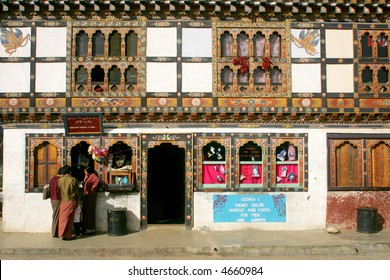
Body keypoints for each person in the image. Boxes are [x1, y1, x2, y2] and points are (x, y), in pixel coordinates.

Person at [58, 165, 80, 241]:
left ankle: (63, 234)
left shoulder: (60, 180)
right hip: (71, 200)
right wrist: (77, 201)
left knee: (63, 217)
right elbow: (77, 192)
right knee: (70, 218)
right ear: (69, 172)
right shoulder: (73, 180)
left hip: (63, 200)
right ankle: (67, 235)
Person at [82, 166, 100, 235]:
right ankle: (90, 228)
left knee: (89, 212)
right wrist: (85, 178)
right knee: (87, 212)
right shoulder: (88, 177)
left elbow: (97, 180)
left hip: (91, 196)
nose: (85, 172)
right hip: (87, 195)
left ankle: (90, 229)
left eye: (86, 171)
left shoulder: (92, 176)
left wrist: (93, 187)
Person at [49, 166, 64, 237]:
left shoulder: (52, 178)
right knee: (56, 215)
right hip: (57, 198)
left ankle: (55, 231)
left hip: (52, 199)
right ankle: (55, 232)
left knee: (55, 214)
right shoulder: (58, 180)